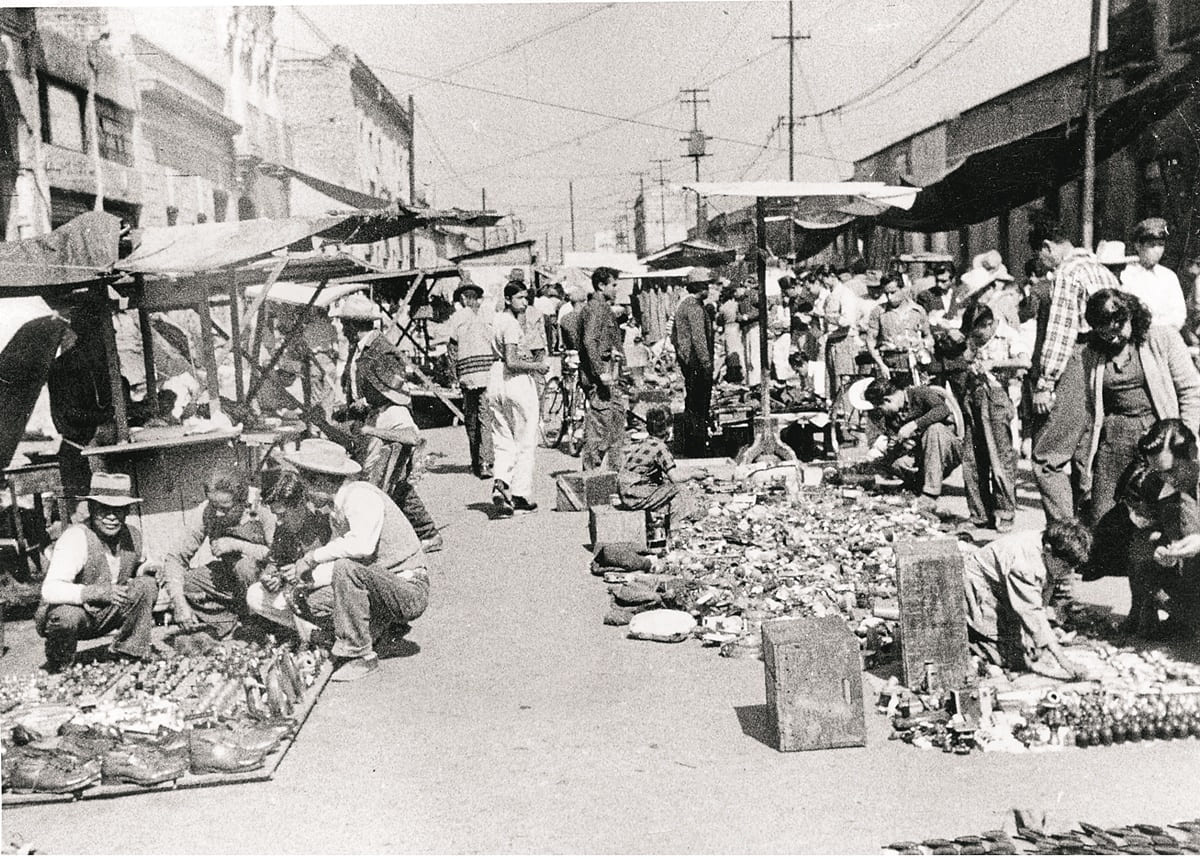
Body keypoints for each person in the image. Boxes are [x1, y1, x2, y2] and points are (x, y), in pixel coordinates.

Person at [284, 438, 429, 682]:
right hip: (385, 586)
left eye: (305, 483)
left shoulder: (360, 496)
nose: (306, 492)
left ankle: (360, 654)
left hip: (408, 590)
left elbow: (361, 546)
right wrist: (306, 580)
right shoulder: (339, 506)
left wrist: (311, 558)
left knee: (345, 569)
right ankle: (379, 626)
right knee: (314, 600)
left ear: (320, 481)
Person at [1078, 288, 1200, 522]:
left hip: (1158, 438)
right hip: (1114, 440)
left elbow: (1190, 390)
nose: (1113, 338)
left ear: (1131, 315)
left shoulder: (1161, 338)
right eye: (1105, 333)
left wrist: (1185, 436)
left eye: (1118, 327)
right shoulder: (1092, 353)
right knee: (1105, 516)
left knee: (1165, 512)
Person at [1029, 222, 1120, 526]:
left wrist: (1045, 382)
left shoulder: (1068, 274)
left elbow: (1060, 334)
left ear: (1047, 246)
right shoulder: (1101, 270)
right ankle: (1087, 535)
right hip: (1104, 361)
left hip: (1076, 360)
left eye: (1041, 258)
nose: (1043, 265)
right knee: (1086, 453)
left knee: (1047, 458)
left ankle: (1066, 540)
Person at [36, 472, 158, 672]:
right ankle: (59, 662)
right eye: (104, 509)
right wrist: (96, 592)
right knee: (66, 616)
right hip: (76, 615)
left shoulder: (133, 535)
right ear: (92, 508)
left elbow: (139, 563)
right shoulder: (75, 537)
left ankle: (129, 652)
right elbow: (49, 590)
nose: (111, 517)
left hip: (108, 612)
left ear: (127, 511)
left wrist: (148, 568)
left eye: (118, 510)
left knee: (146, 584)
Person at [962, 520, 1094, 680]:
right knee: (1005, 658)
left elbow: (1040, 597)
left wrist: (1033, 636)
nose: (1069, 572)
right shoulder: (1025, 564)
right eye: (1065, 567)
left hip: (1005, 589)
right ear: (1048, 550)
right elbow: (1031, 610)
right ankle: (968, 638)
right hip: (981, 589)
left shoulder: (1049, 548)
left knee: (1029, 647)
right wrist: (1065, 662)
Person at [160, 467, 270, 636]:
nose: (218, 514)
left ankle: (265, 624)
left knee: (245, 567)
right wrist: (179, 603)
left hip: (265, 579)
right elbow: (175, 558)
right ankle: (231, 625)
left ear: (242, 502)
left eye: (225, 508)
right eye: (214, 506)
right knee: (187, 583)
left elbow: (278, 555)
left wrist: (236, 545)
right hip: (232, 579)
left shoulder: (262, 507)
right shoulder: (208, 510)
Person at [358, 354, 443, 552]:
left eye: (369, 386)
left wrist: (371, 431)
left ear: (382, 392)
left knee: (400, 487)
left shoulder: (396, 412)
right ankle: (426, 532)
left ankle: (428, 533)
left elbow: (413, 437)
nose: (365, 389)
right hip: (378, 471)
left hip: (377, 474)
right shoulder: (378, 411)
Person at [245, 471, 334, 647]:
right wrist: (270, 577)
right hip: (300, 594)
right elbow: (274, 562)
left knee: (295, 595)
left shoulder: (324, 525)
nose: (278, 521)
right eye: (275, 515)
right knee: (255, 595)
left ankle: (323, 635)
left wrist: (301, 574)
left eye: (283, 514)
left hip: (326, 593)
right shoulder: (283, 529)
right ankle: (317, 634)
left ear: (300, 504)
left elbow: (337, 569)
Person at [47, 303, 114, 518]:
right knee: (84, 519)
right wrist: (106, 416)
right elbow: (70, 414)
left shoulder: (98, 363)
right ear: (88, 331)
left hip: (91, 453)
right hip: (78, 455)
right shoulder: (66, 366)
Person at [959, 304, 1021, 532]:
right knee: (973, 460)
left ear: (989, 324)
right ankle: (979, 513)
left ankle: (1005, 512)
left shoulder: (1008, 335)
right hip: (974, 396)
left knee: (1000, 458)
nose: (977, 338)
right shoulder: (975, 339)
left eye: (979, 333)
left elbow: (1025, 362)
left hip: (997, 398)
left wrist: (995, 363)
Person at [489, 280, 548, 517]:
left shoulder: (496, 321)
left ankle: (501, 482)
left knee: (502, 436)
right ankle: (521, 494)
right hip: (516, 380)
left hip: (495, 378)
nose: (525, 303)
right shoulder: (511, 324)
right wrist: (537, 366)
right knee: (526, 438)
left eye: (526, 298)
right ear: (508, 299)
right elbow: (512, 361)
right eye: (520, 298)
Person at [862, 377, 961, 511]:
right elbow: (895, 441)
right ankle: (916, 484)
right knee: (885, 461)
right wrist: (897, 446)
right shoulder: (892, 414)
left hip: (946, 448)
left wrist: (914, 425)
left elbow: (943, 410)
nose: (881, 412)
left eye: (880, 407)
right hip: (922, 455)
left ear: (887, 400)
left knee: (935, 429)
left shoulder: (919, 393)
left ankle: (930, 494)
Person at [578, 266, 627, 472]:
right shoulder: (596, 308)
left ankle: (616, 477)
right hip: (601, 378)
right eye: (613, 285)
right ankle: (590, 479)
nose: (616, 289)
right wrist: (601, 372)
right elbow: (589, 341)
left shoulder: (603, 307)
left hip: (609, 373)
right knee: (599, 428)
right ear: (601, 285)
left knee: (616, 426)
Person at [617, 406, 708, 512]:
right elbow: (675, 477)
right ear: (668, 429)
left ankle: (657, 519)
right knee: (679, 489)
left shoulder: (647, 441)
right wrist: (693, 474)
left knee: (662, 485)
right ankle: (676, 526)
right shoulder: (661, 447)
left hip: (625, 490)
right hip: (634, 495)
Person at [446, 279, 494, 480]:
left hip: (467, 374)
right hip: (487, 372)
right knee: (485, 418)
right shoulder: (488, 316)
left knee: (472, 418)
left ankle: (477, 460)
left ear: (463, 298)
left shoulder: (457, 317)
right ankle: (485, 462)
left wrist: (453, 375)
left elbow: (452, 349)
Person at [671, 268, 716, 457]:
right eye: (706, 285)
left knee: (693, 404)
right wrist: (706, 364)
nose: (708, 288)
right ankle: (697, 446)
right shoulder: (695, 308)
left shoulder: (687, 305)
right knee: (699, 406)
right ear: (699, 287)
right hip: (697, 363)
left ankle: (693, 444)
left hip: (689, 363)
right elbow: (699, 339)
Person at [1119, 218, 1187, 332]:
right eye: (1152, 245)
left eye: (1161, 245)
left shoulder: (1169, 277)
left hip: (1166, 337)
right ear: (1138, 245)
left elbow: (1179, 314)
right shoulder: (1126, 275)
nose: (1157, 250)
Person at [865, 272, 933, 381]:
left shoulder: (918, 311)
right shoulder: (879, 312)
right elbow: (870, 341)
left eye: (893, 292)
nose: (889, 297)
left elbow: (928, 336)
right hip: (890, 363)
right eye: (886, 294)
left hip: (915, 363)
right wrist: (881, 365)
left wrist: (924, 348)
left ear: (903, 289)